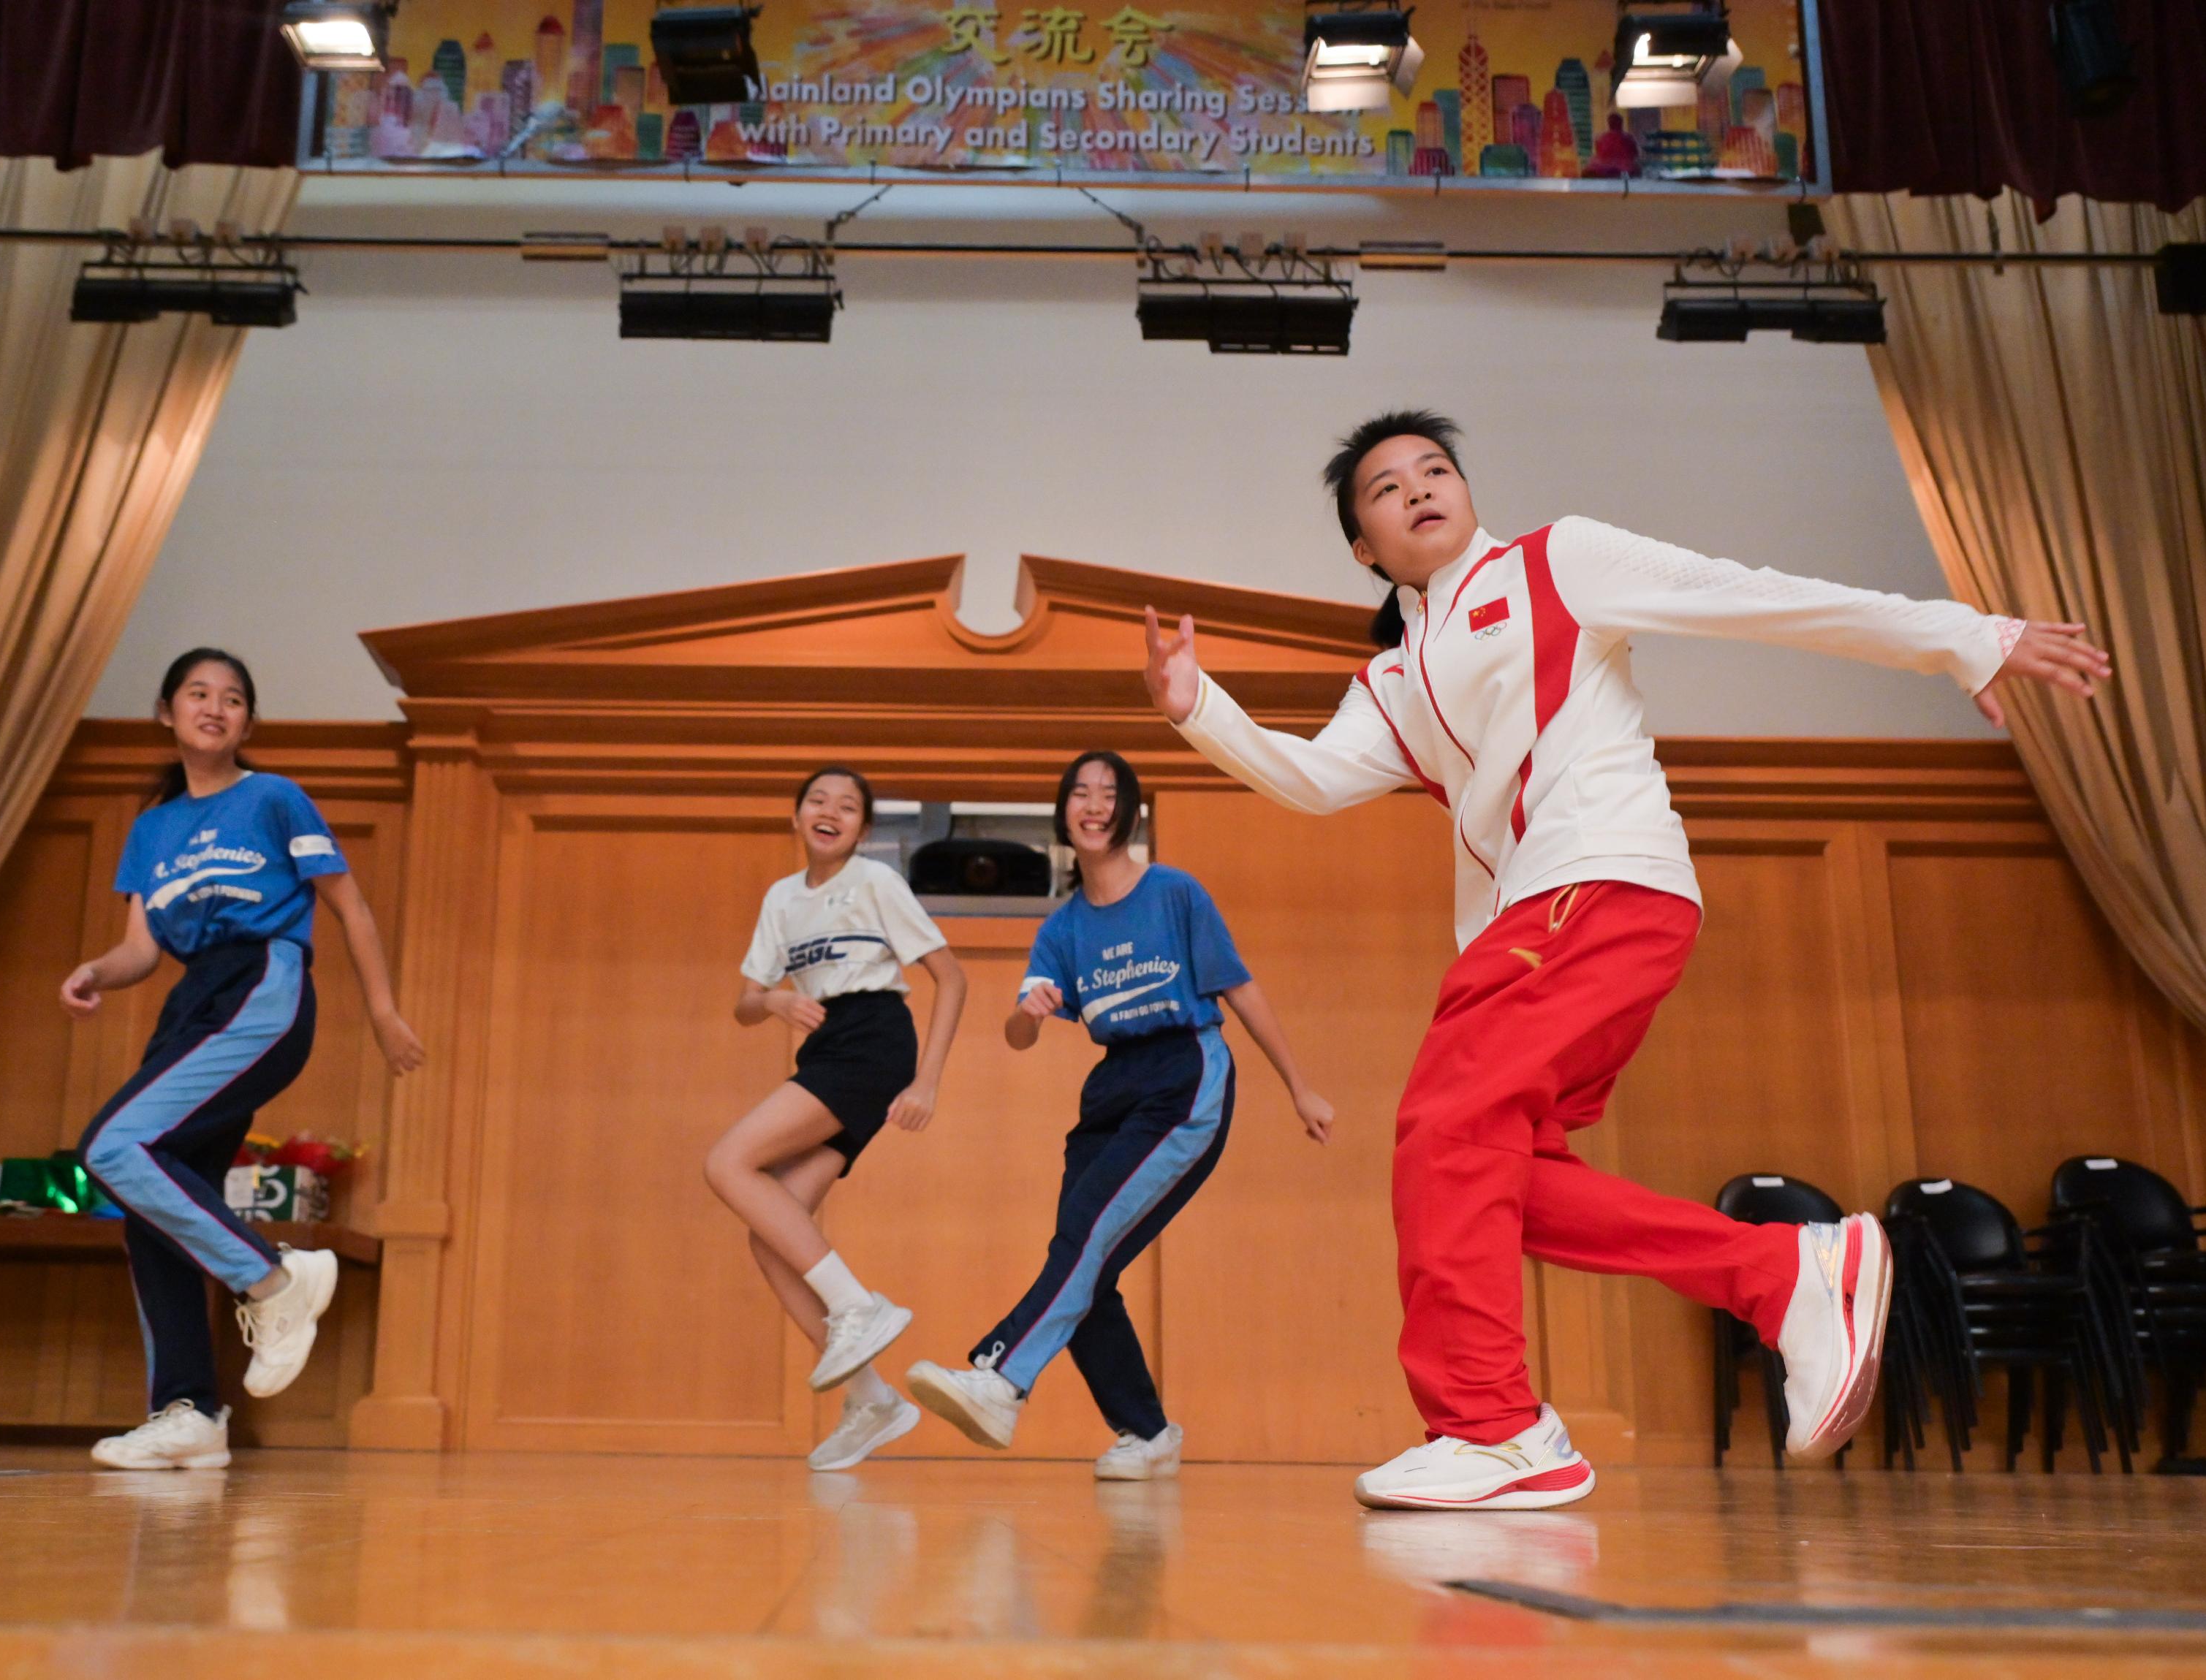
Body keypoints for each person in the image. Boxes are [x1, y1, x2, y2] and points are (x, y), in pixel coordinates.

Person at [1145, 409, 2112, 1510]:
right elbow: (1313, 779)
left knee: (1444, 1129)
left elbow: (1751, 592)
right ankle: (1783, 1271)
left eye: (1437, 468)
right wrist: (1199, 708)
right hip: (1552, 917)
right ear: (1362, 544)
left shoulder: (1559, 562)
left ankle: (1496, 1425)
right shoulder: (1394, 680)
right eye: (1385, 487)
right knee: (1511, 1184)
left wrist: (1960, 634)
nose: (1419, 488)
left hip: (1598, 882)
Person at [904, 750, 1334, 1481]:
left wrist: (1299, 1085)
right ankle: (1147, 1430)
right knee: (1083, 1259)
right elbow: (1016, 1028)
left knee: (1087, 1236)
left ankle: (1000, 1377)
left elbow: (1241, 990)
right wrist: (1030, 1015)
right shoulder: (1064, 928)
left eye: (1109, 793)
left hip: (1183, 1073)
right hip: (1111, 1089)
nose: (1094, 805)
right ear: (1063, 811)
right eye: (1080, 793)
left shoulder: (1174, 893)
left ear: (1129, 810)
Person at [62, 648, 427, 1471]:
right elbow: (139, 948)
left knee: (111, 1145)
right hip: (189, 1001)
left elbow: (348, 903)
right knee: (150, 1205)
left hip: (264, 982)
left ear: (247, 724)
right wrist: (95, 971)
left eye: (233, 699)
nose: (215, 708)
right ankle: (188, 1414)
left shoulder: (273, 798)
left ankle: (271, 1277)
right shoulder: (150, 828)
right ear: (167, 711)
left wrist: (382, 1009)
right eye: (198, 694)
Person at [711, 767, 969, 1472]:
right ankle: (870, 1397)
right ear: (796, 815)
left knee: (727, 1162)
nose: (831, 812)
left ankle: (859, 1305)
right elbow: (745, 999)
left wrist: (929, 1080)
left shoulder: (876, 883)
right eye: (818, 801)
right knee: (772, 1236)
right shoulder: (782, 899)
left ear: (862, 828)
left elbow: (952, 976)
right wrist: (774, 1003)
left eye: (848, 806)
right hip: (825, 1046)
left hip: (872, 1041)